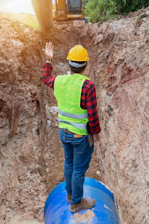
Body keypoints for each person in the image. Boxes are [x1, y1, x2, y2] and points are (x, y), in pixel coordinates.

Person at [42, 42, 101, 213]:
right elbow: (92, 114)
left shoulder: (59, 81)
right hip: (80, 136)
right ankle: (76, 202)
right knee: (78, 169)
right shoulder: (87, 86)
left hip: (63, 132)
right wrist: (95, 132)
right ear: (85, 65)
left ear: (69, 64)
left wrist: (48, 59)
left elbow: (46, 79)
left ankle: (69, 195)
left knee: (68, 162)